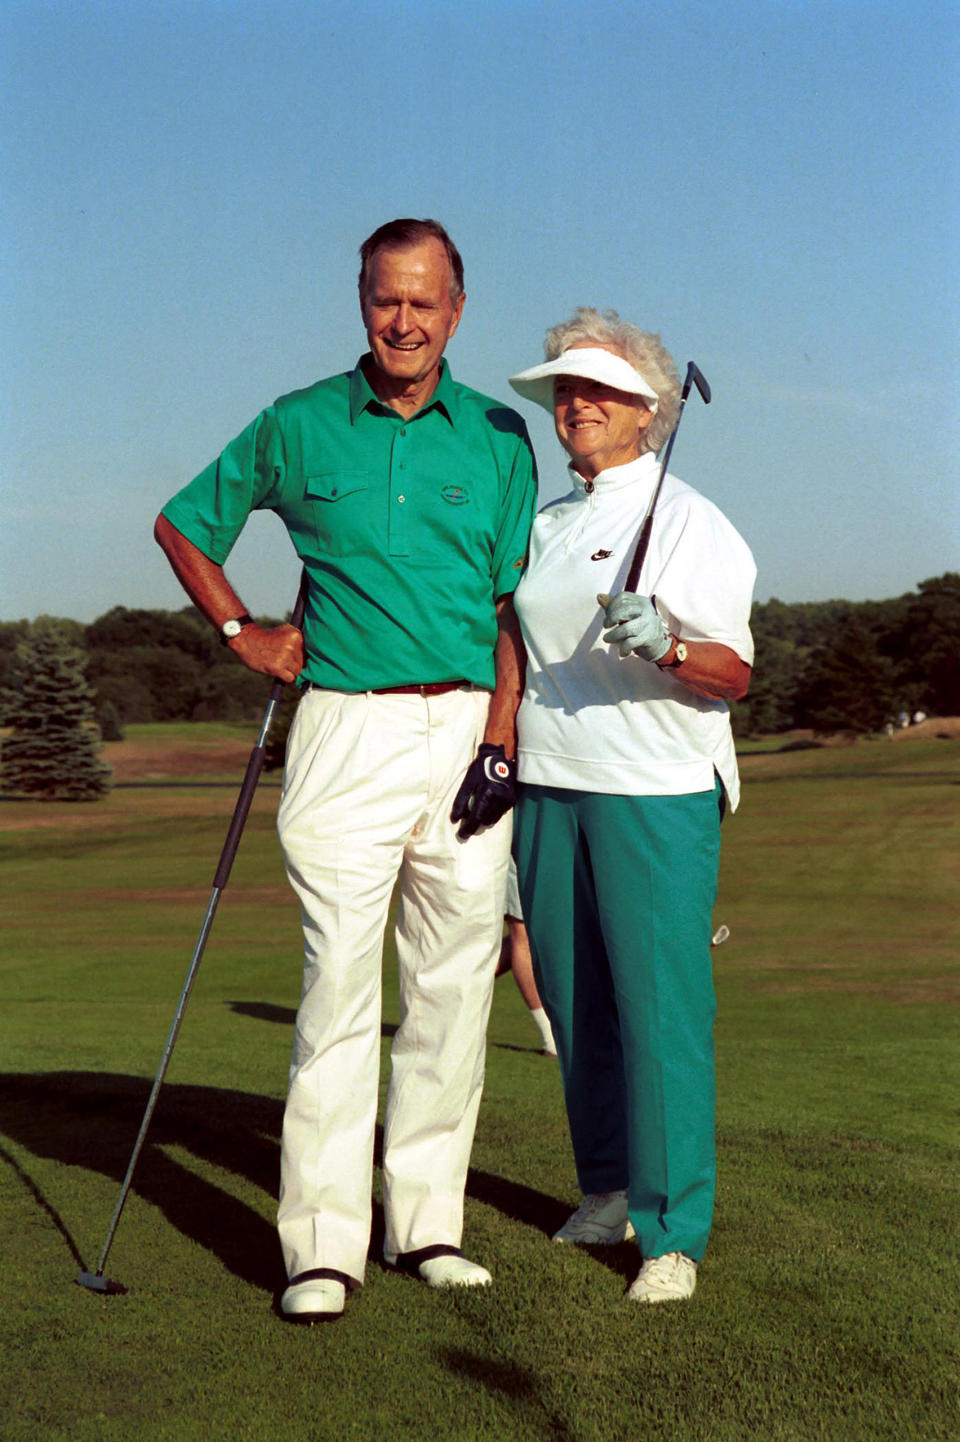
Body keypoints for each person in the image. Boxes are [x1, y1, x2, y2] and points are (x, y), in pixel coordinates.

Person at [154, 219, 536, 1322]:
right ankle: (322, 1245)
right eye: (385, 299)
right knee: (335, 991)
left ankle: (428, 1223)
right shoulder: (298, 422)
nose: (403, 320)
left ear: (457, 310)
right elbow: (186, 524)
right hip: (344, 730)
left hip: (468, 729)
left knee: (455, 988)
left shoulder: (501, 436)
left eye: (424, 301)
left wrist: (502, 733)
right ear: (360, 301)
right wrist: (241, 633)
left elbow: (514, 607)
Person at [507, 308, 755, 1304]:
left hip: (653, 787)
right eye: (565, 390)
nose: (576, 404)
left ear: (649, 409)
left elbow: (734, 671)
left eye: (597, 389)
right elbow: (515, 645)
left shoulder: (690, 517)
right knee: (578, 1005)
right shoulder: (550, 522)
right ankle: (606, 1185)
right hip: (550, 776)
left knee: (660, 1013)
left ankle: (674, 1229)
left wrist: (669, 645)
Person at [496, 859, 557, 1056]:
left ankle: (449, 992)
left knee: (532, 933)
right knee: (522, 932)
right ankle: (550, 1036)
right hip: (513, 842)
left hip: (548, 842)